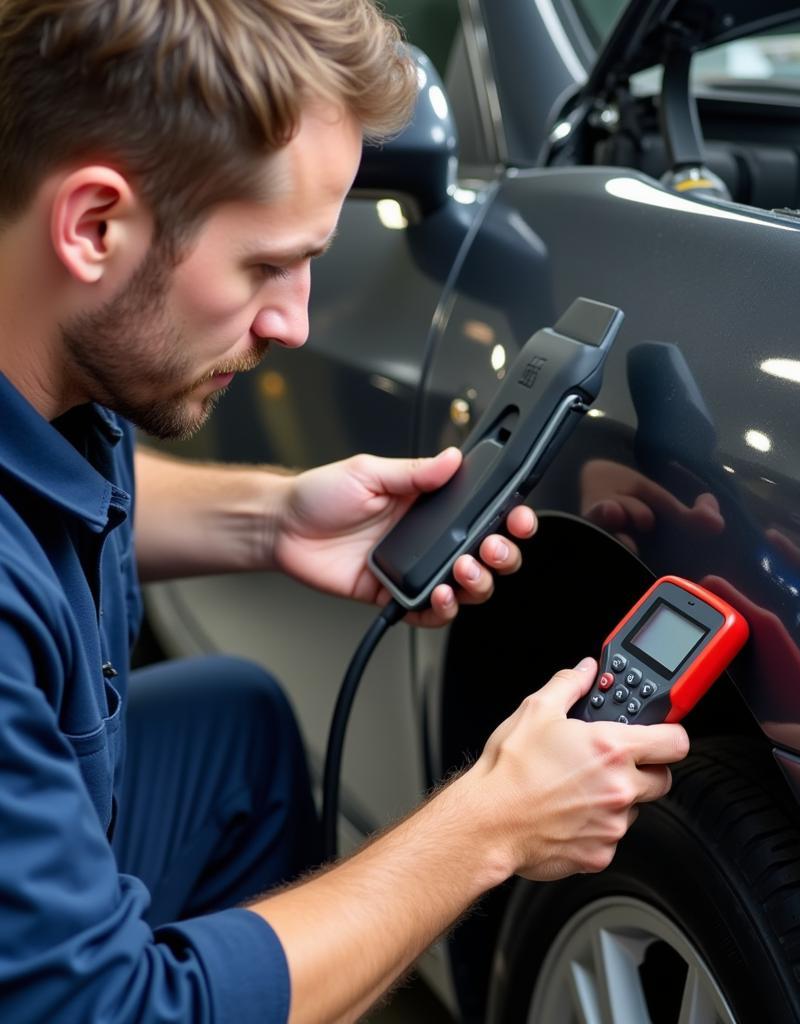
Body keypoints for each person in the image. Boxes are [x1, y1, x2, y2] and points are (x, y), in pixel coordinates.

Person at [0, 2, 690, 1021]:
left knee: (237, 728)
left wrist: (270, 519)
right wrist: (486, 825)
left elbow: (59, 502)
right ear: (95, 224)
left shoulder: (56, 366)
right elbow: (105, 1010)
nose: (294, 321)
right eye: (267, 264)